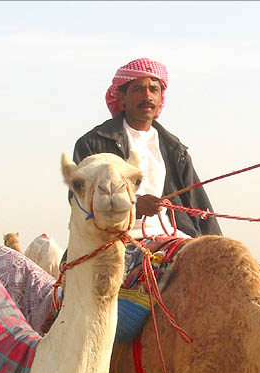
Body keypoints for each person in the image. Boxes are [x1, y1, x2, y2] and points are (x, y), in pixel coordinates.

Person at [72, 57, 222, 241]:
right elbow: (79, 202)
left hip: (172, 237)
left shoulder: (174, 149)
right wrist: (133, 207)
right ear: (122, 96)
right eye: (138, 89)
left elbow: (198, 206)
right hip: (116, 240)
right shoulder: (93, 144)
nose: (147, 96)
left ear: (161, 98)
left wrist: (220, 246)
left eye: (153, 89)